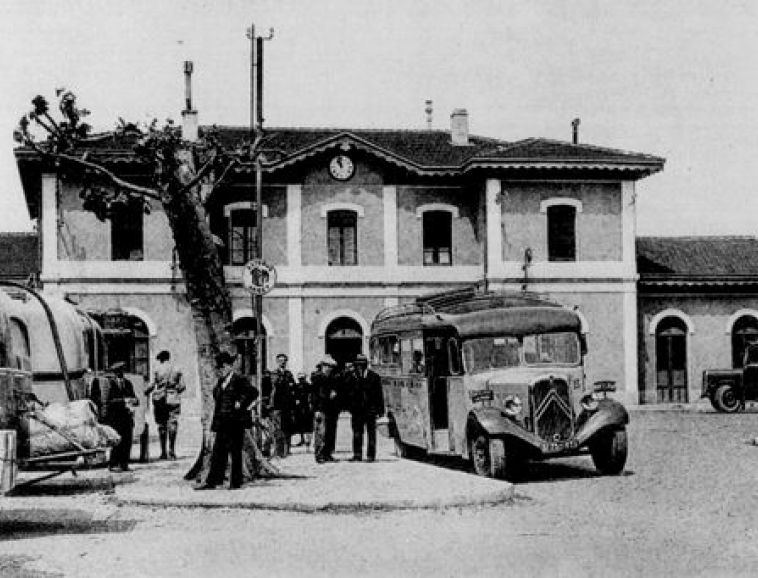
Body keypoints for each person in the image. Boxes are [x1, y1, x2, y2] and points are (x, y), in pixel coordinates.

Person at [195, 351, 258, 490]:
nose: (221, 370)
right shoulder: (221, 382)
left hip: (235, 422)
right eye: (219, 368)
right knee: (218, 452)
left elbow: (254, 393)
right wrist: (214, 426)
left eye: (223, 367)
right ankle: (213, 481)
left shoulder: (239, 379)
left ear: (230, 366)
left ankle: (236, 482)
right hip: (222, 422)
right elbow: (218, 404)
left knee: (235, 452)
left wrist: (241, 402)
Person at [93, 362, 139, 472]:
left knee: (127, 440)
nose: (121, 373)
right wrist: (123, 401)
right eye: (118, 371)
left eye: (122, 371)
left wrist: (135, 400)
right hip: (115, 416)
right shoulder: (108, 384)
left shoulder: (128, 383)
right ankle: (113, 464)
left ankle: (124, 463)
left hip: (127, 416)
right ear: (114, 372)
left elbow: (134, 397)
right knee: (116, 441)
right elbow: (107, 401)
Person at [144, 350, 186, 460]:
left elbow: (152, 385)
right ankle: (172, 451)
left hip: (159, 399)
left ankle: (163, 452)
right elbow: (182, 386)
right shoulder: (177, 369)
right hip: (173, 399)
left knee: (162, 425)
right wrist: (174, 390)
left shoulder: (157, 369)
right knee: (173, 423)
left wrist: (145, 391)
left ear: (161, 359)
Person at [348, 353, 385, 462]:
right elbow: (348, 393)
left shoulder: (374, 377)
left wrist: (380, 410)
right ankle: (357, 454)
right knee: (357, 432)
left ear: (366, 365)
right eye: (358, 364)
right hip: (357, 410)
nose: (359, 366)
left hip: (370, 410)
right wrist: (350, 407)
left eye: (362, 364)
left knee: (371, 433)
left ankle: (371, 455)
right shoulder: (352, 377)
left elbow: (379, 395)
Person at [311, 355, 340, 464]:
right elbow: (314, 396)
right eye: (328, 366)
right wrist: (316, 410)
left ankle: (328, 453)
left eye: (331, 367)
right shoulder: (317, 378)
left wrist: (335, 393)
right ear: (323, 366)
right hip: (321, 409)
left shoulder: (332, 378)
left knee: (330, 432)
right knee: (321, 433)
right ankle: (319, 454)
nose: (330, 369)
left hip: (332, 409)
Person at [269, 353, 296, 458]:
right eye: (280, 361)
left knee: (287, 428)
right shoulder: (275, 373)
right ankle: (279, 451)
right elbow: (276, 385)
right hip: (277, 405)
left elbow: (293, 386)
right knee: (278, 429)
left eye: (284, 361)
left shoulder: (289, 374)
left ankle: (287, 450)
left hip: (287, 405)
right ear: (277, 362)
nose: (282, 363)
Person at [292, 371, 314, 450]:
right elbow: (294, 395)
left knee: (308, 425)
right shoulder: (296, 386)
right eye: (300, 379)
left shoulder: (308, 386)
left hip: (307, 407)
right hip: (299, 407)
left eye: (302, 378)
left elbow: (310, 396)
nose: (301, 380)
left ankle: (308, 442)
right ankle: (302, 439)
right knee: (300, 424)